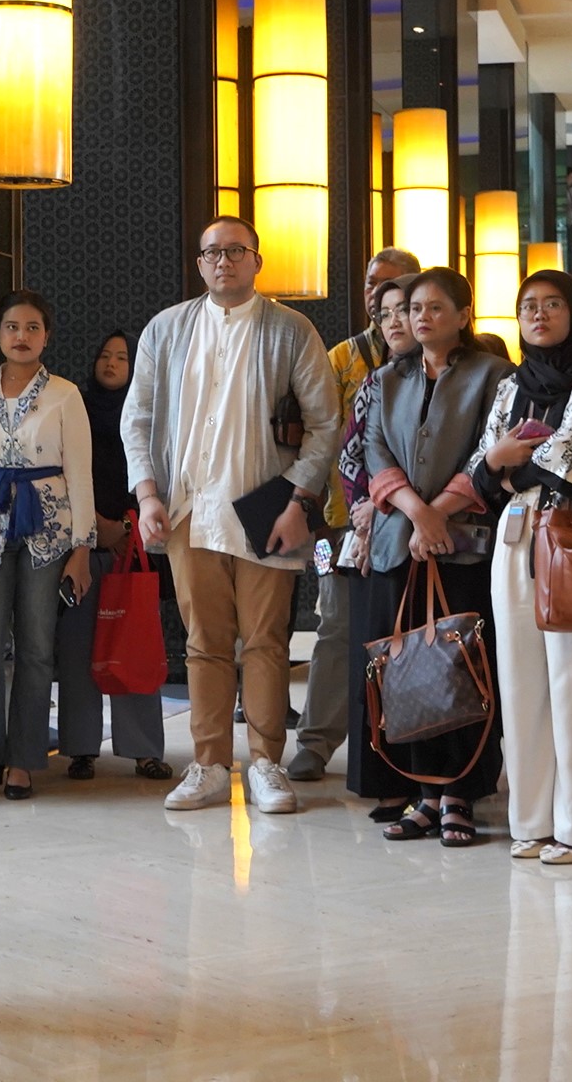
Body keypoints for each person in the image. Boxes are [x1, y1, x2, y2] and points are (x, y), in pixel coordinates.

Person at [123, 216, 339, 814]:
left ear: (256, 261)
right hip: (188, 508)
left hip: (267, 507)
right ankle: (210, 765)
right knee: (204, 643)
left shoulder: (291, 330)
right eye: (213, 252)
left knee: (267, 643)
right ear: (199, 264)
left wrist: (299, 500)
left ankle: (267, 764)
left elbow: (326, 423)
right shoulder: (166, 330)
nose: (224, 261)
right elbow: (136, 418)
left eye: (236, 251)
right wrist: (146, 494)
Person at [472, 270, 572, 863]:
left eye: (552, 305)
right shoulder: (511, 385)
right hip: (515, 538)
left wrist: (510, 461)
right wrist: (496, 462)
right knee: (520, 681)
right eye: (527, 306)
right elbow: (479, 470)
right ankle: (531, 819)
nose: (538, 316)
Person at [359, 268, 513, 846]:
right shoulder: (386, 377)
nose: (419, 317)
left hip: (464, 544)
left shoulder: (494, 375)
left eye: (435, 307)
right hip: (401, 542)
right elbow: (374, 448)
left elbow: (489, 452)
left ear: (464, 316)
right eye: (412, 308)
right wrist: (416, 514)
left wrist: (438, 514)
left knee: (465, 665)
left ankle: (461, 796)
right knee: (407, 667)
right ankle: (424, 792)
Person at [0, 290, 95, 802]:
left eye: (33, 327)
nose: (22, 336)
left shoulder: (65, 394)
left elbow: (80, 471)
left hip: (49, 529)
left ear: (46, 336)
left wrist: (82, 547)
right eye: (12, 327)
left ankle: (23, 762)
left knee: (35, 649)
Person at [291, 247, 419, 782]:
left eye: (391, 288)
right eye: (371, 284)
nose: (377, 295)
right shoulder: (341, 358)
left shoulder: (434, 362)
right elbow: (318, 438)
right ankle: (316, 744)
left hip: (413, 520)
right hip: (336, 525)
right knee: (334, 626)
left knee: (409, 629)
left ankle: (405, 744)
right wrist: (312, 511)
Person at [55, 330, 173, 782]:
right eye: (104, 355)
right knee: (78, 648)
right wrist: (94, 530)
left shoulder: (145, 411)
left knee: (135, 643)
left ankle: (144, 750)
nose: (111, 364)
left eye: (122, 358)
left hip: (133, 546)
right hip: (81, 543)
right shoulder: (74, 407)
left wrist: (124, 529)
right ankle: (81, 748)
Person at [337, 271, 422, 821]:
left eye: (406, 310)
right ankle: (388, 780)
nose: (395, 321)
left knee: (436, 657)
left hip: (441, 533)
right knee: (379, 659)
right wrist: (365, 508)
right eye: (387, 312)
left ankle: (439, 782)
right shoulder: (374, 381)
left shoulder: (471, 375)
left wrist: (406, 502)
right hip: (380, 535)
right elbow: (353, 458)